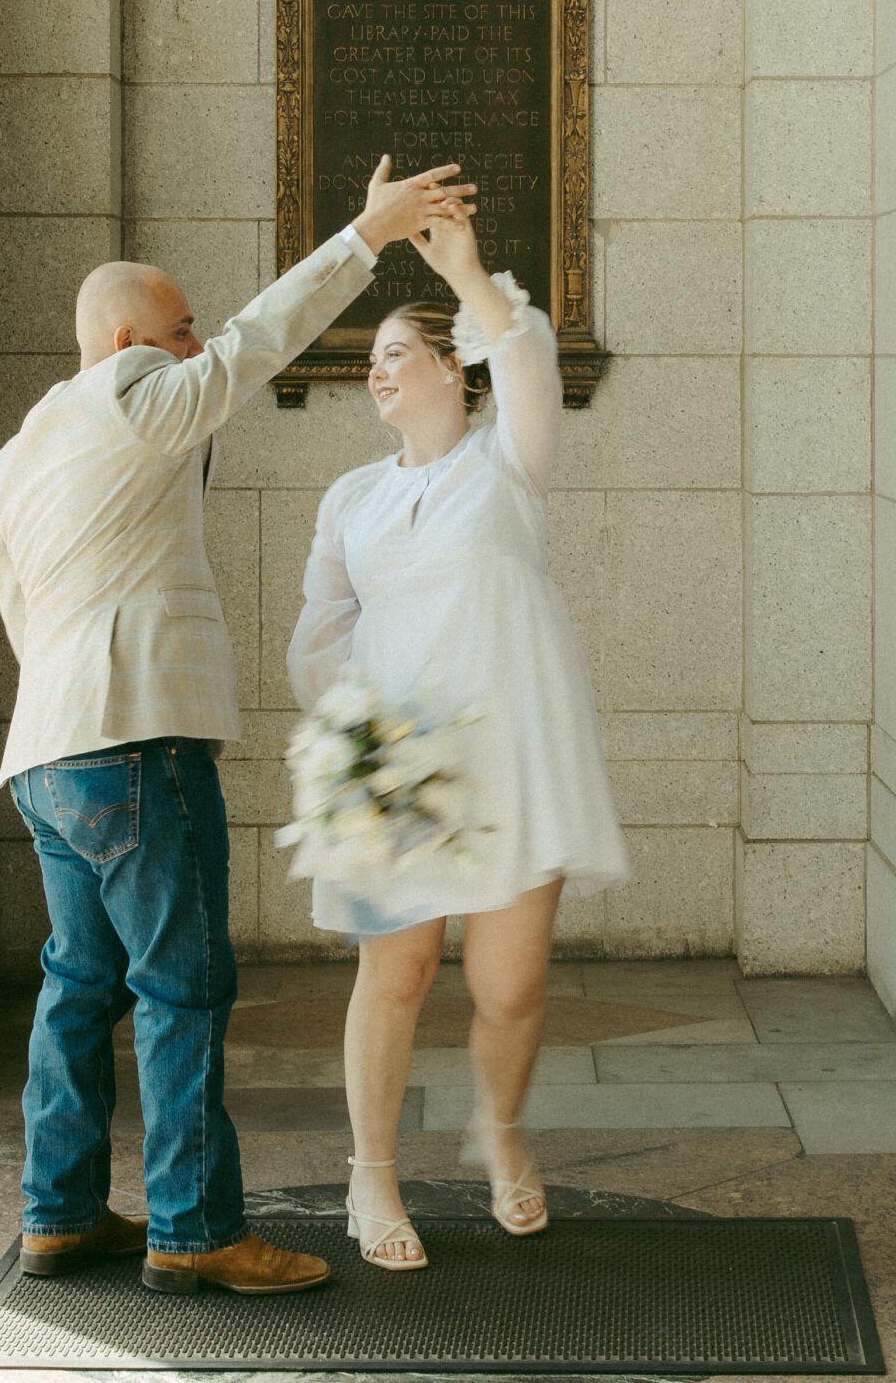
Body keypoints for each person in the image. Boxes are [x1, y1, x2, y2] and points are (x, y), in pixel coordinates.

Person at [0, 154, 473, 1297]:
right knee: (183, 987)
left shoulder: (26, 447)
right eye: (179, 330)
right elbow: (260, 340)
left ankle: (56, 1217)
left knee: (76, 988)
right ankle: (194, 1229)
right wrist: (364, 235)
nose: (197, 347)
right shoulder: (130, 398)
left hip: (48, 750)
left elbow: (15, 598)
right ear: (125, 346)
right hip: (137, 742)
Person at [285, 201, 629, 1271]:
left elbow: (524, 356)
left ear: (453, 367)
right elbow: (318, 637)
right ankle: (370, 1176)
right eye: (372, 360)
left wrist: (472, 273)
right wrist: (358, 741)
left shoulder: (506, 464)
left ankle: (502, 1132)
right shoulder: (348, 498)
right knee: (392, 973)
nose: (377, 373)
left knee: (508, 985)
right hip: (395, 757)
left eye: (397, 354)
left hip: (515, 748)